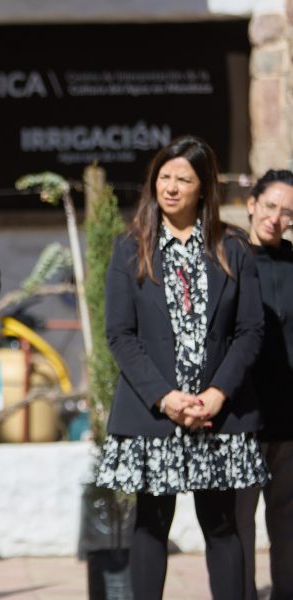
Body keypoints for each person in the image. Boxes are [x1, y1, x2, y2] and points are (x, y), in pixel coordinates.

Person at [95, 135, 269, 600]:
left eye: (184, 179)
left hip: (219, 414)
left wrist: (217, 394)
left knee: (222, 525)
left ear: (204, 187)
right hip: (154, 411)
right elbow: (120, 335)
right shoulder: (130, 248)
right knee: (151, 524)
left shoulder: (232, 247)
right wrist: (166, 397)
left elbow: (250, 330)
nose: (171, 187)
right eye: (164, 177)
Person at [235, 169, 293, 600]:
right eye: (270, 205)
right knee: (238, 528)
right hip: (240, 416)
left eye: (287, 212)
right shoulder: (227, 261)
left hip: (289, 421)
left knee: (288, 528)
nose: (276, 218)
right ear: (252, 204)